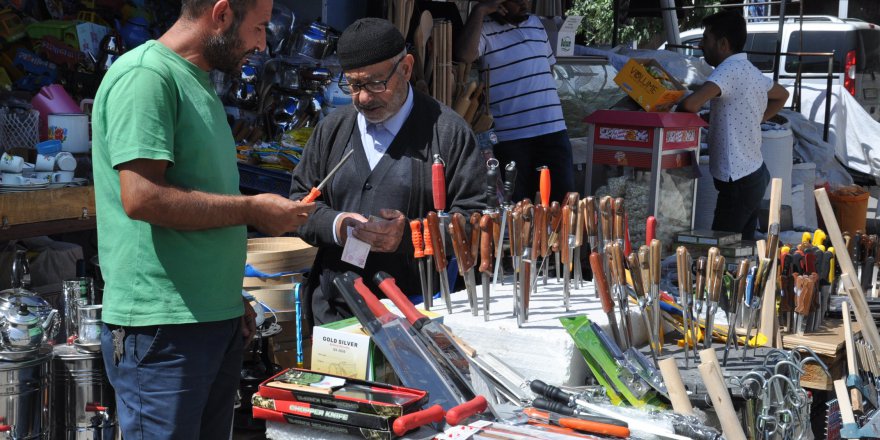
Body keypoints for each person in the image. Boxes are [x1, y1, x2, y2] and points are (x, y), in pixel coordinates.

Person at [91, 0, 315, 437]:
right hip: (163, 330)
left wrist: (230, 300)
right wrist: (253, 210)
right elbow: (142, 198)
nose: (262, 44)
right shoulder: (146, 77)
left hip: (208, 321)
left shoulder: (196, 82)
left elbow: (200, 203)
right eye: (259, 28)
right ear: (222, 14)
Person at [289, 18, 485, 325]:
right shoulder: (333, 129)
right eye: (354, 85)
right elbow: (298, 206)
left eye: (376, 83)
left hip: (416, 311)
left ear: (406, 68)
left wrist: (408, 236)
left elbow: (476, 223)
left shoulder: (447, 134)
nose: (364, 97)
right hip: (334, 308)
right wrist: (339, 225)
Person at [678, 9, 789, 240]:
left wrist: (672, 102)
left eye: (705, 39)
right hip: (753, 174)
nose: (701, 45)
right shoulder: (749, 69)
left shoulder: (727, 70)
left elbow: (691, 104)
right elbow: (782, 95)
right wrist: (757, 117)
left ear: (723, 43)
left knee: (720, 253)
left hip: (737, 180)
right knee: (741, 252)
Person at [454, 0, 574, 203]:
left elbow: (548, 69)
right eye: (517, 1)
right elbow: (464, 55)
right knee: (518, 210)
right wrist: (480, 10)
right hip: (512, 139)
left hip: (553, 130)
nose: (524, 4)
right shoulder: (484, 29)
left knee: (562, 204)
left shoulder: (536, 24)